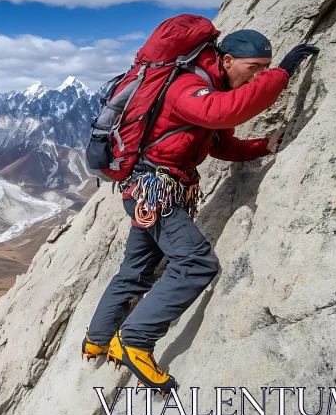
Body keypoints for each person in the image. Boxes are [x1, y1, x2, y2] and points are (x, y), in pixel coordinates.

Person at [81, 29, 319, 393]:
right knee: (196, 263)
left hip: (153, 191)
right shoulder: (188, 87)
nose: (256, 75)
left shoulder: (212, 90)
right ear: (226, 60)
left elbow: (222, 144)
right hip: (156, 190)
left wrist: (262, 146)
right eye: (253, 67)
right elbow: (223, 110)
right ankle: (135, 341)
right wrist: (282, 72)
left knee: (136, 268)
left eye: (264, 68)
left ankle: (97, 339)